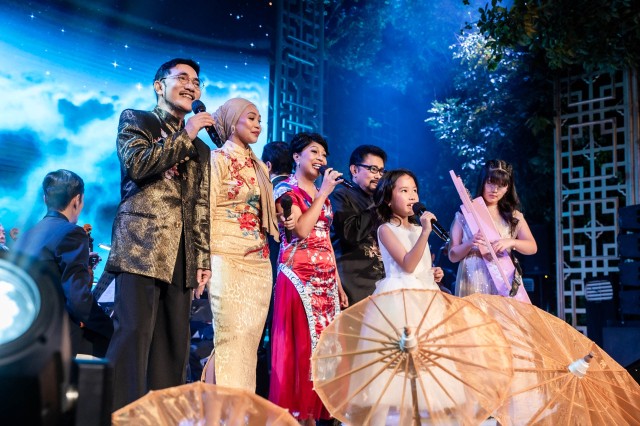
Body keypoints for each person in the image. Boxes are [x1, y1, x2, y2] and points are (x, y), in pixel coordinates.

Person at [104, 58, 213, 410]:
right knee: (133, 336)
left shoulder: (202, 149)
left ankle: (159, 416)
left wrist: (203, 259)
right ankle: (119, 414)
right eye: (182, 78)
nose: (191, 86)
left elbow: (200, 205)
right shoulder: (137, 120)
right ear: (159, 85)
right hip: (141, 246)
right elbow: (138, 165)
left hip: (182, 253)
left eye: (196, 82)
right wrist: (187, 133)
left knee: (172, 344)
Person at [269, 132, 349, 425]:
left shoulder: (318, 191)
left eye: (324, 154)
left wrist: (337, 283)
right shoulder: (285, 189)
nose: (321, 159)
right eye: (314, 152)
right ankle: (298, 419)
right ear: (296, 156)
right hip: (299, 278)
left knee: (323, 353)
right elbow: (301, 230)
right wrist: (324, 193)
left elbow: (325, 238)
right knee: (302, 351)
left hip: (325, 281)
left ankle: (313, 418)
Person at [204, 98, 279, 392]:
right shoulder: (217, 159)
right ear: (233, 121)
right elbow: (205, 211)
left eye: (260, 119)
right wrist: (202, 261)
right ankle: (223, 407)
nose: (258, 124)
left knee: (247, 341)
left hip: (259, 261)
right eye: (251, 118)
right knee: (229, 336)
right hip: (226, 256)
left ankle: (236, 406)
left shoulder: (259, 166)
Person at [12, 170, 113, 357]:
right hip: (54, 337)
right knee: (117, 346)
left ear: (45, 199)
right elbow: (78, 300)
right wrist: (111, 327)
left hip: (22, 333)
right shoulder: (71, 233)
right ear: (77, 200)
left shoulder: (26, 236)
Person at [448, 159, 537, 297]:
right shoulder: (465, 214)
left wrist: (511, 242)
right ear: (482, 182)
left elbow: (532, 247)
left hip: (502, 278)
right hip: (472, 279)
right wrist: (470, 242)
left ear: (508, 188)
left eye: (501, 185)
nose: (495, 190)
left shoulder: (513, 216)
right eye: (490, 183)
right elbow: (452, 256)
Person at [256, 140, 294, 397]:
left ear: (267, 165)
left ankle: (262, 395)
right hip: (296, 273)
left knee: (260, 338)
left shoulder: (268, 191)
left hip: (268, 269)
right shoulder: (300, 190)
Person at [329, 145, 387, 305]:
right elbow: (350, 234)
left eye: (381, 171)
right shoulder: (340, 196)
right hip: (354, 284)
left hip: (381, 282)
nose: (378, 176)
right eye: (373, 169)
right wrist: (377, 204)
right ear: (354, 170)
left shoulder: (381, 203)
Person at [372, 168, 444, 294]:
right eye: (404, 191)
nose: (412, 196)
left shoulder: (418, 229)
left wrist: (431, 272)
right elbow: (408, 266)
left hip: (424, 291)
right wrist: (425, 232)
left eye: (414, 190)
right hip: (401, 294)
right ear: (388, 199)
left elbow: (419, 267)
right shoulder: (386, 229)